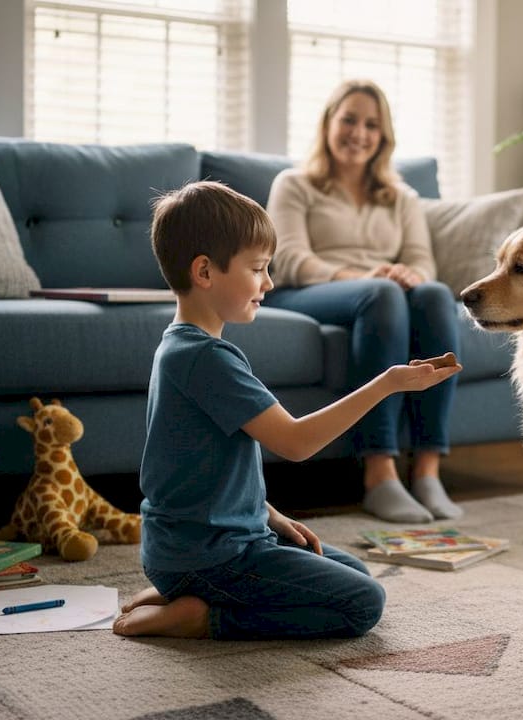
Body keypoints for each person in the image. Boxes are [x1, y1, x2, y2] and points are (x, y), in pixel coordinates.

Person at [113, 180, 462, 640]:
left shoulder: (182, 348)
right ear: (204, 272)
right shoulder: (206, 358)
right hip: (212, 555)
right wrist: (388, 383)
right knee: (362, 603)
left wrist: (271, 517)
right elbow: (296, 443)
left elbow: (201, 470)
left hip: (197, 546)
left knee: (350, 569)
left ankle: (183, 589)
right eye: (258, 269)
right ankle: (204, 616)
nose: (269, 283)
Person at [264, 79, 464, 524]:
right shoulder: (294, 184)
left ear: (384, 136)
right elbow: (289, 259)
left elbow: (421, 262)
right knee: (382, 292)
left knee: (434, 294)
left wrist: (409, 275)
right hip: (311, 290)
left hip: (381, 293)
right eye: (349, 119)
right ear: (328, 123)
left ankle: (429, 470)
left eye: (371, 124)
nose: (359, 132)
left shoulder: (402, 196)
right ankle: (379, 473)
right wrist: (363, 276)